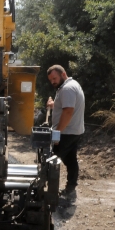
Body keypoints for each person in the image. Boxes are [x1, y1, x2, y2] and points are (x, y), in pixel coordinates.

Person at [46, 65, 85, 199]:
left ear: (63, 74)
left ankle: (49, 193)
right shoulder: (71, 85)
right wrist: (54, 105)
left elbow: (68, 111)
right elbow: (65, 105)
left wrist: (57, 132)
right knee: (70, 160)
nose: (53, 82)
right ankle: (71, 188)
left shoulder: (67, 89)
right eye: (51, 80)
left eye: (55, 78)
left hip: (66, 133)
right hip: (74, 131)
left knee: (52, 161)